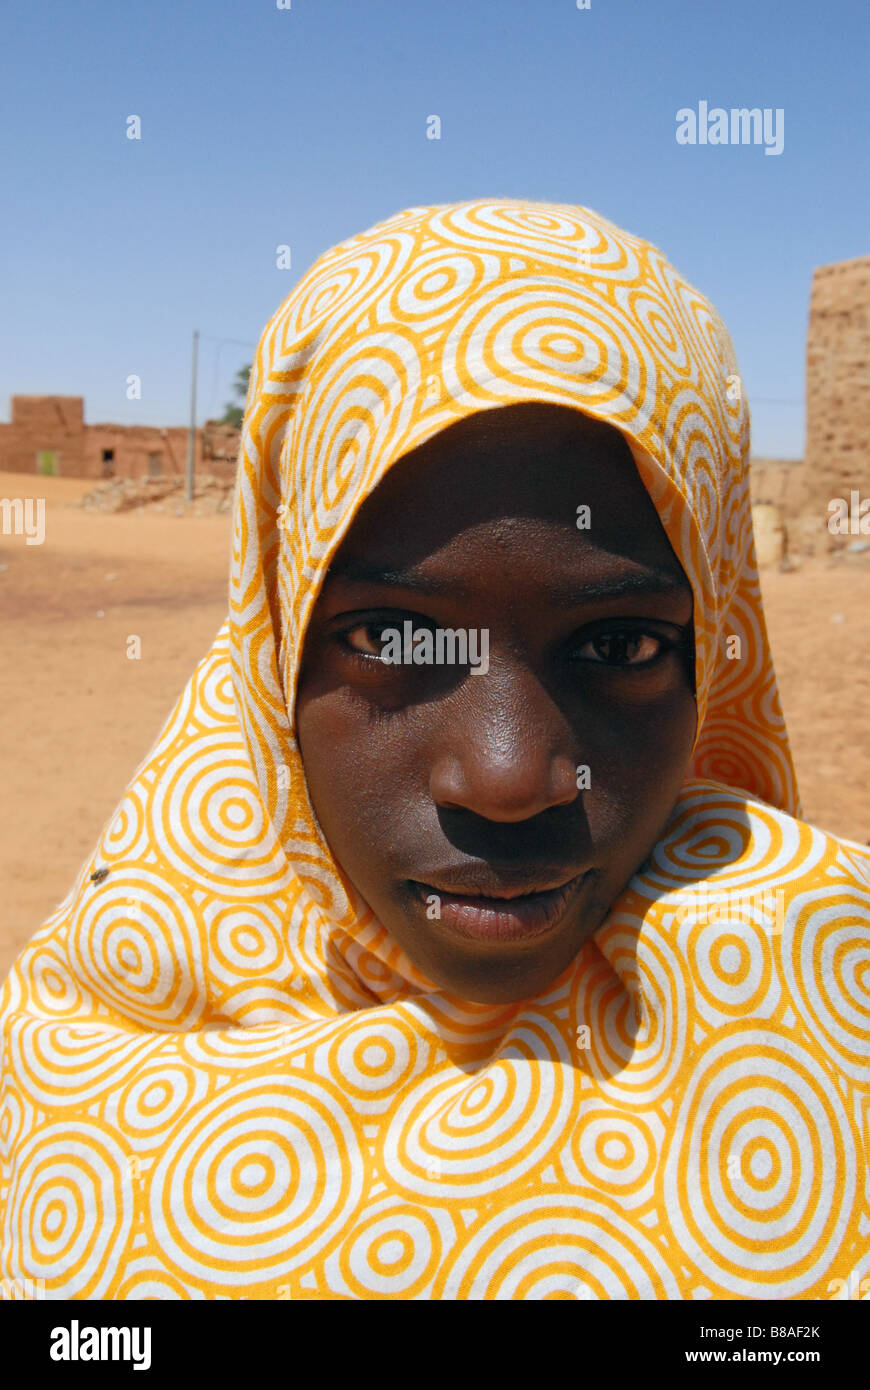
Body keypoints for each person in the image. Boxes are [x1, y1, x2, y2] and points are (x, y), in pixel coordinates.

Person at [1, 198, 867, 1301]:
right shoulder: (82, 1086)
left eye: (619, 642)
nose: (508, 779)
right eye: (392, 638)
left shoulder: (822, 1025)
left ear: (716, 659)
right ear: (275, 657)